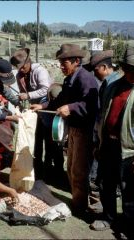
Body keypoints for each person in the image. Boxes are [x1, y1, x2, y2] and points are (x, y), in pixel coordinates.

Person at [31, 43, 98, 216]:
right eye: (60, 62)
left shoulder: (85, 79)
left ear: (76, 61)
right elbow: (59, 100)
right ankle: (78, 201)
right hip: (74, 130)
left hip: (84, 131)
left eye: (64, 62)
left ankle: (81, 207)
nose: (61, 66)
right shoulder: (70, 79)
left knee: (79, 170)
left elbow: (91, 105)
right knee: (71, 168)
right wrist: (43, 105)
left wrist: (72, 108)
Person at [89, 46, 134, 238]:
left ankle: (129, 225)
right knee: (106, 185)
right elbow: (102, 116)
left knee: (129, 191)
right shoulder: (111, 86)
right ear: (124, 68)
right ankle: (108, 216)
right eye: (133, 69)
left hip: (130, 150)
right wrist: (98, 144)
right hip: (108, 145)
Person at [10, 48, 53, 180]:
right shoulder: (19, 75)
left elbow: (45, 89)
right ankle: (37, 168)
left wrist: (28, 95)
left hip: (46, 107)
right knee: (35, 139)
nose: (20, 70)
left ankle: (53, 170)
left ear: (28, 63)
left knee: (50, 140)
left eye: (22, 67)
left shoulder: (40, 71)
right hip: (32, 111)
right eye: (18, 68)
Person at [88, 50, 121, 212]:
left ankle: (102, 203)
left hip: (108, 136)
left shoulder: (111, 83)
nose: (94, 74)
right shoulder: (109, 82)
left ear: (104, 67)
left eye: (96, 70)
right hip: (104, 135)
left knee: (102, 173)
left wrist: (98, 138)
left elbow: (104, 114)